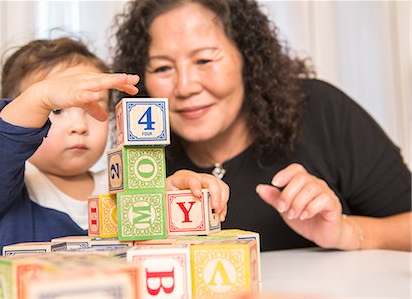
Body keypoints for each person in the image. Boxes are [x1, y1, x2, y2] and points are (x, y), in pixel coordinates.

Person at [110, 0, 411, 251]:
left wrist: (345, 232)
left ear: (248, 58)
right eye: (162, 67)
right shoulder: (139, 162)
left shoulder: (321, 110)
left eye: (204, 60)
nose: (185, 86)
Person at [0, 37, 229, 255]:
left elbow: (154, 234)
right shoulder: (6, 189)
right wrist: (40, 97)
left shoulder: (121, 182)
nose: (79, 126)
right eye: (56, 109)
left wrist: (172, 191)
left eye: (94, 108)